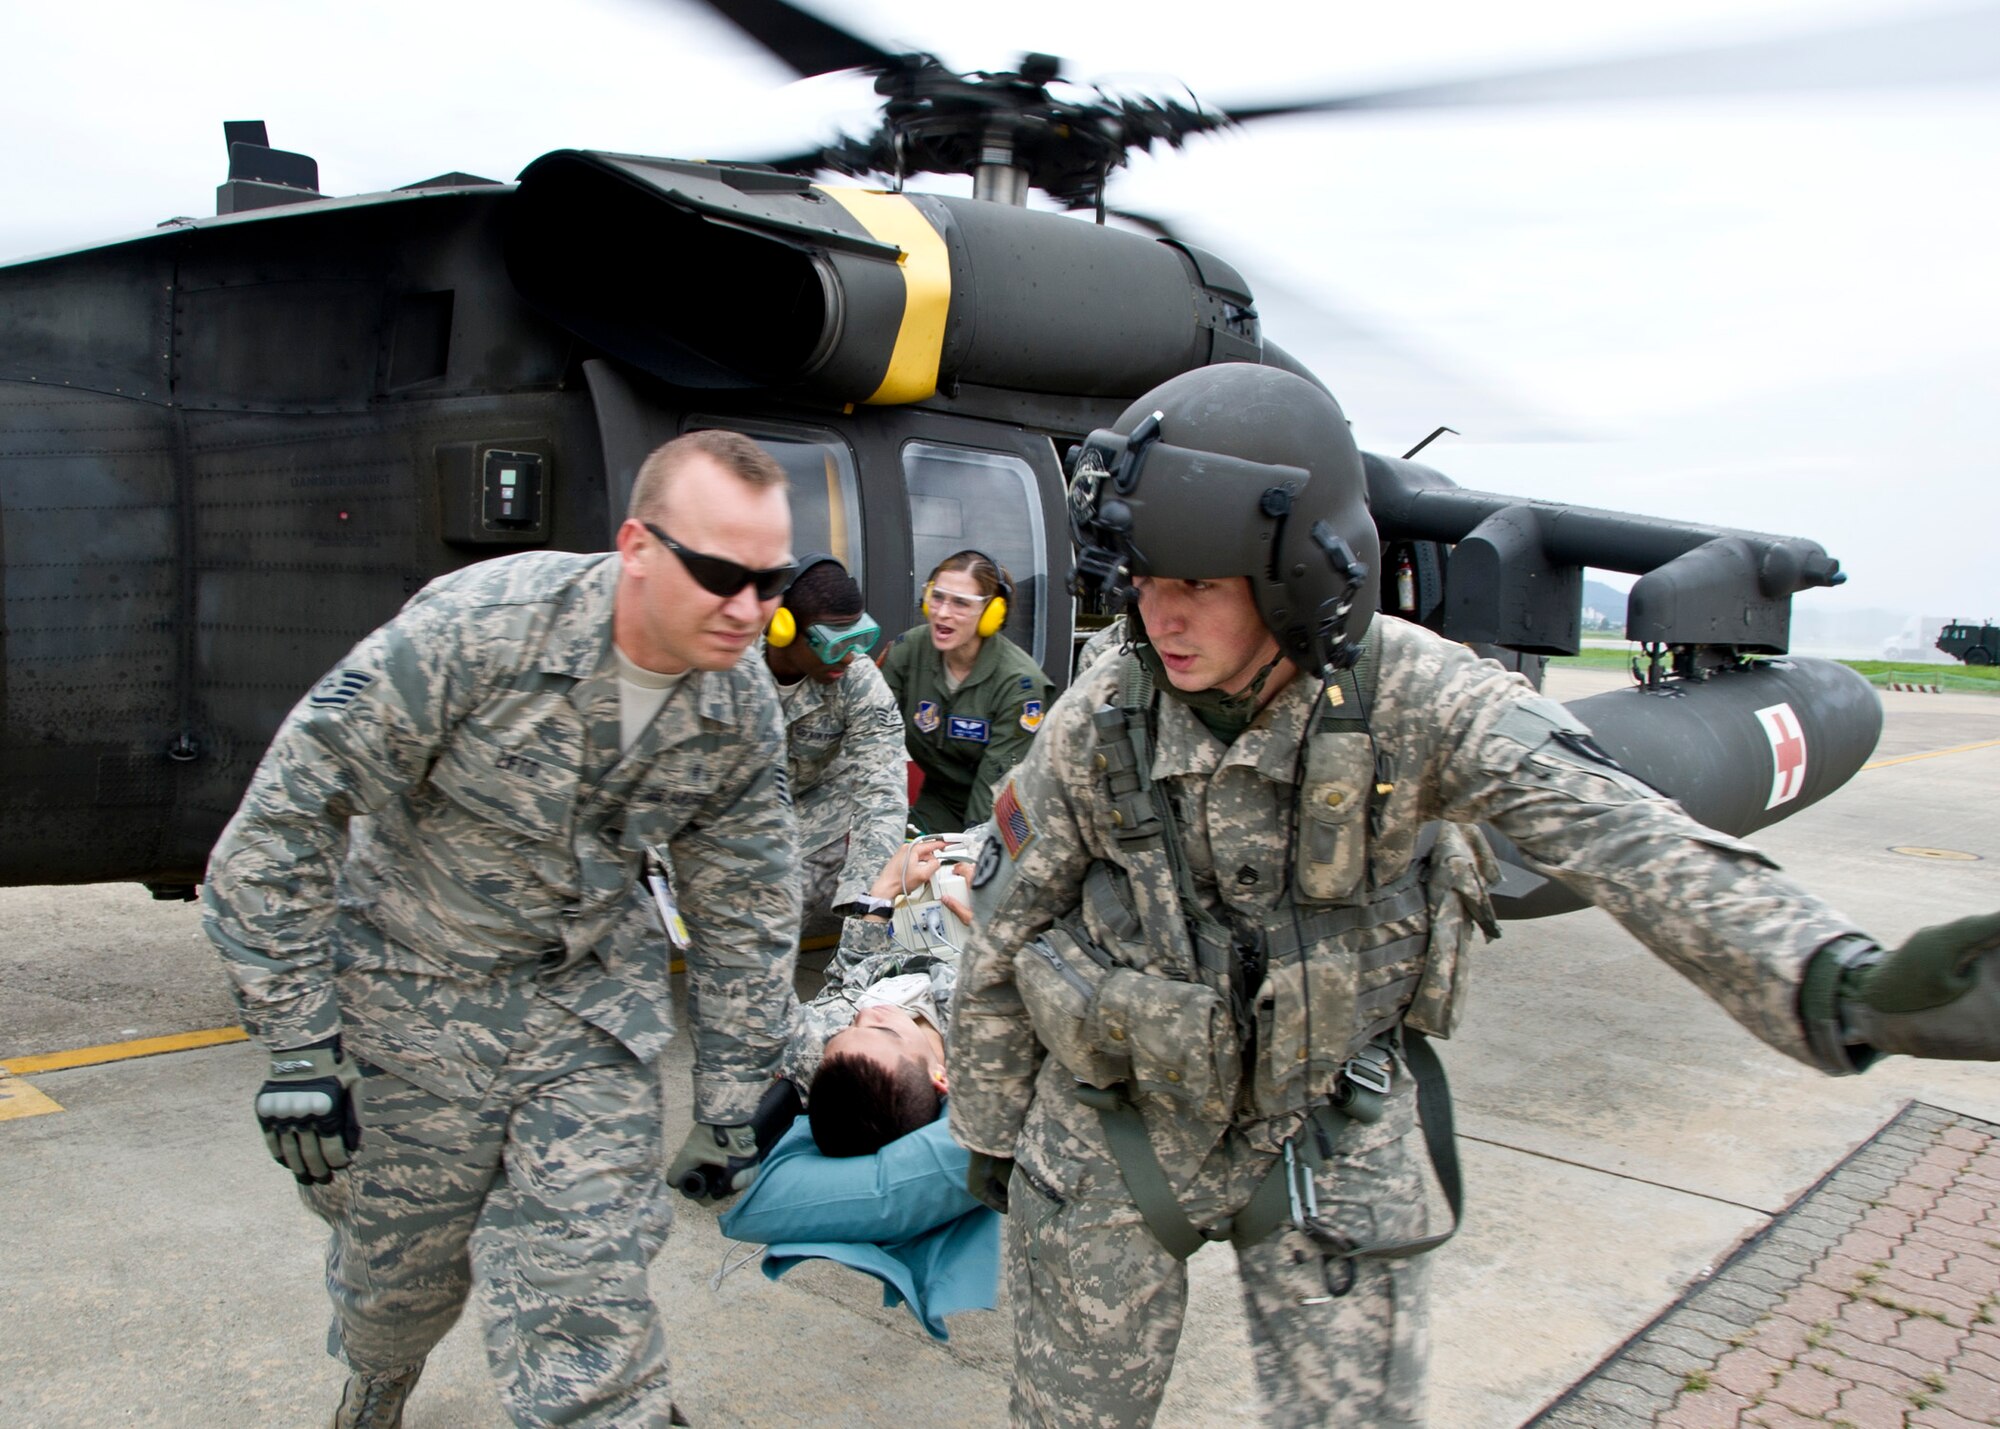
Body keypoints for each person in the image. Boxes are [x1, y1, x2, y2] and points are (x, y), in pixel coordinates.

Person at [946, 363, 2000, 1428]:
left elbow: (1622, 834)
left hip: (1328, 1121)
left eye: (1199, 584)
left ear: (1297, 579)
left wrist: (1836, 984)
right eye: (1143, 579)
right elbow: (1006, 925)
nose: (1160, 614)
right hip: (1120, 1124)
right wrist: (989, 1132)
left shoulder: (1416, 692)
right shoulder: (1103, 712)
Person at [203, 429, 804, 1429]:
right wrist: (300, 1043)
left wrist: (736, 1089)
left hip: (584, 1008)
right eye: (718, 575)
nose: (748, 609)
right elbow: (286, 817)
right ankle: (379, 1376)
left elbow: (747, 898)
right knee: (400, 1287)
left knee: (590, 1282)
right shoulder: (480, 629)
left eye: (770, 581)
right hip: (411, 995)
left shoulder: (739, 701)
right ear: (638, 547)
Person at [783, 836, 973, 1157]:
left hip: (900, 918)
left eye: (849, 1026)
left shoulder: (823, 1046)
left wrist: (883, 891)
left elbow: (846, 981)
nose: (864, 1014)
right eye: (884, 1030)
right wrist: (1002, 933)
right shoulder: (987, 1024)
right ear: (940, 1079)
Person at [761, 554, 911, 939]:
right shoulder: (733, 665)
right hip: (742, 806)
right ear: (783, 629)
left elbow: (882, 793)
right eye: (832, 644)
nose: (849, 656)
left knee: (776, 915)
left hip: (816, 812)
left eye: (857, 638)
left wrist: (871, 903)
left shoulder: (857, 679)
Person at [880, 549, 1054, 834]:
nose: (942, 613)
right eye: (937, 597)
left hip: (1009, 810)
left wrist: (969, 849)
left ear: (991, 613)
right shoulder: (908, 651)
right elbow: (872, 735)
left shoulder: (1019, 684)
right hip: (942, 801)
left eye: (961, 603)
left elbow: (996, 788)